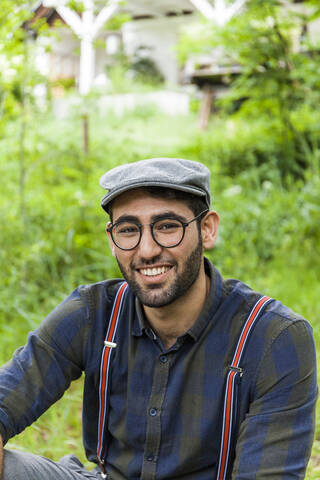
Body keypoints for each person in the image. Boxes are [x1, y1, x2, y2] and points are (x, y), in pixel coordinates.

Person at [0, 157, 317, 480]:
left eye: (167, 226)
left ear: (207, 229)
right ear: (112, 240)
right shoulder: (92, 312)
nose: (147, 249)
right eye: (129, 230)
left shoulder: (274, 338)